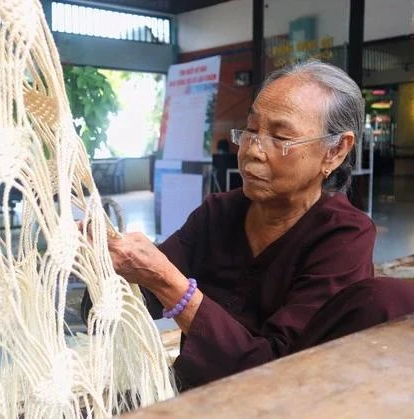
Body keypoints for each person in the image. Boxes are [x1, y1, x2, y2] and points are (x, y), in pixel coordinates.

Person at [107, 60, 414, 390]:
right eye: (251, 130)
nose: (252, 151)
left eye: (280, 137)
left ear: (336, 151)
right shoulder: (219, 212)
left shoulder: (343, 237)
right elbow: (135, 297)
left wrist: (171, 286)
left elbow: (275, 369)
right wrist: (104, 261)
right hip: (195, 393)